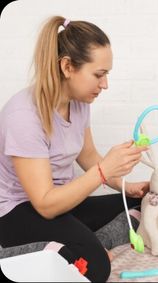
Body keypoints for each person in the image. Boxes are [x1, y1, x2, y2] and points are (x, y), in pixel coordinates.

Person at [0, 16, 150, 282]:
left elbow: (88, 155)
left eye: (107, 75)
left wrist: (127, 187)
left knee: (145, 204)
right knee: (95, 269)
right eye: (99, 75)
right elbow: (45, 204)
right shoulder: (23, 116)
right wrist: (104, 171)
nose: (105, 85)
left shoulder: (79, 102)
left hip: (62, 202)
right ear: (67, 66)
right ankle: (50, 251)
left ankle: (87, 243)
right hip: (18, 212)